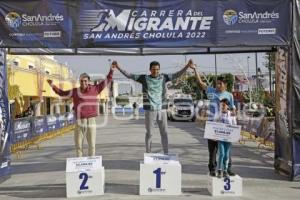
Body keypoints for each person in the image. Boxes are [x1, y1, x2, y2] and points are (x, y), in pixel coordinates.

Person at [114, 60, 194, 154]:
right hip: (150, 110)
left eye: (157, 69)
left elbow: (177, 74)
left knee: (164, 133)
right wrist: (118, 67)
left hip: (162, 110)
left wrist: (187, 66)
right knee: (149, 133)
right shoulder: (144, 78)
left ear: (159, 70)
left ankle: (166, 153)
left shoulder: (164, 77)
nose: (155, 71)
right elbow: (129, 75)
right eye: (153, 69)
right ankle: (148, 154)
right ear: (150, 69)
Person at [47, 65, 115, 157]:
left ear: (89, 81)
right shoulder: (75, 91)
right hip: (79, 121)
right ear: (79, 81)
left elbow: (107, 80)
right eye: (81, 81)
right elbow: (62, 93)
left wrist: (111, 70)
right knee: (78, 144)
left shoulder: (95, 89)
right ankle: (79, 162)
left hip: (91, 120)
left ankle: (92, 162)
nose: (83, 83)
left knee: (92, 144)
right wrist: (52, 85)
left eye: (85, 81)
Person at [192, 65, 236, 176]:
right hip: (212, 125)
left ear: (225, 85)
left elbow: (233, 110)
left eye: (220, 83)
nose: (217, 85)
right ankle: (212, 168)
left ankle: (227, 168)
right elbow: (201, 83)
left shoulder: (229, 95)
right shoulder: (211, 91)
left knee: (226, 149)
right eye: (217, 83)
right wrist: (195, 70)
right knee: (212, 150)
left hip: (225, 126)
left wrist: (229, 111)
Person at [216, 98, 237, 178]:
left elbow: (235, 126)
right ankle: (219, 170)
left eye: (223, 105)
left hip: (228, 138)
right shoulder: (218, 114)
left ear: (227, 106)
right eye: (221, 105)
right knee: (221, 153)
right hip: (220, 138)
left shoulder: (231, 115)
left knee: (226, 155)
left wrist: (234, 136)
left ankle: (225, 170)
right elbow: (215, 126)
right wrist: (214, 135)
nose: (222, 107)